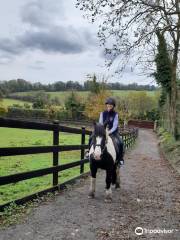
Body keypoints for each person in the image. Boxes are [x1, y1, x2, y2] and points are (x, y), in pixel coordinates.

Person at [87, 97, 124, 166]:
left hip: (113, 132)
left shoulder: (115, 114)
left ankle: (120, 158)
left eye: (111, 104)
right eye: (108, 104)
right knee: (91, 137)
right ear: (106, 105)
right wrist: (102, 131)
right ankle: (88, 151)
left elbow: (115, 125)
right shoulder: (102, 113)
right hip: (102, 131)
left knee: (121, 142)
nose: (109, 105)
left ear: (113, 106)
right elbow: (100, 123)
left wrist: (109, 132)